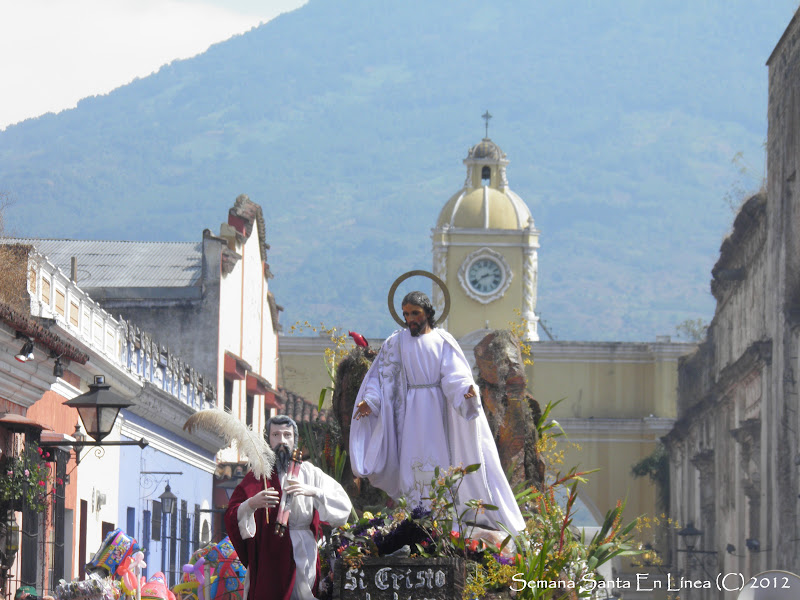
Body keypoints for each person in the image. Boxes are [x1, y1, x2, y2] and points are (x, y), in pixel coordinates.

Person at [350, 291, 525, 536]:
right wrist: (371, 400)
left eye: (415, 313)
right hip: (409, 414)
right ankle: (414, 517)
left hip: (437, 412)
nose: (410, 318)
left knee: (438, 461)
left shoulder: (443, 341)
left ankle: (444, 519)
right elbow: (383, 378)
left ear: (428, 314)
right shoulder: (396, 343)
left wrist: (465, 392)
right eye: (406, 314)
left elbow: (455, 376)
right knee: (412, 463)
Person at [225, 415, 352, 600]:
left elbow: (343, 506)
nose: (282, 440)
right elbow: (231, 513)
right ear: (268, 439)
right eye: (276, 435)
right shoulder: (259, 475)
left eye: (287, 435)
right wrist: (251, 504)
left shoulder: (310, 473)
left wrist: (314, 492)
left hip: (304, 552)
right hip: (271, 555)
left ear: (295, 439)